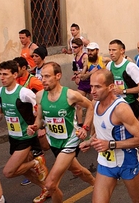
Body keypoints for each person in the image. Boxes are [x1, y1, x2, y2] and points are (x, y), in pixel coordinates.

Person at [79, 69, 139, 203]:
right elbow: (102, 129)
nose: (93, 91)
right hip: (106, 163)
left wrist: (110, 145)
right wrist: (90, 141)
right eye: (91, 86)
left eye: (98, 87)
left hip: (127, 162)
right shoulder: (95, 103)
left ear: (111, 87)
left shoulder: (121, 109)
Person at [27, 62, 95, 203]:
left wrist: (85, 128)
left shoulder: (70, 95)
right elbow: (39, 119)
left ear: (58, 76)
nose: (43, 80)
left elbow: (90, 106)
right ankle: (98, 184)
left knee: (50, 184)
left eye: (47, 76)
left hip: (70, 141)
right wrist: (34, 127)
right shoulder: (39, 96)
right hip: (54, 142)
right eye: (41, 76)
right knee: (78, 171)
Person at [0, 60, 49, 203]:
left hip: (26, 137)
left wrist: (40, 126)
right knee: (24, 170)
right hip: (13, 137)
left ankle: (35, 163)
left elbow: (40, 110)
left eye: (5, 74)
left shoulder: (24, 93)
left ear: (15, 74)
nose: (2, 77)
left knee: (9, 171)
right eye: (0, 74)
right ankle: (46, 188)